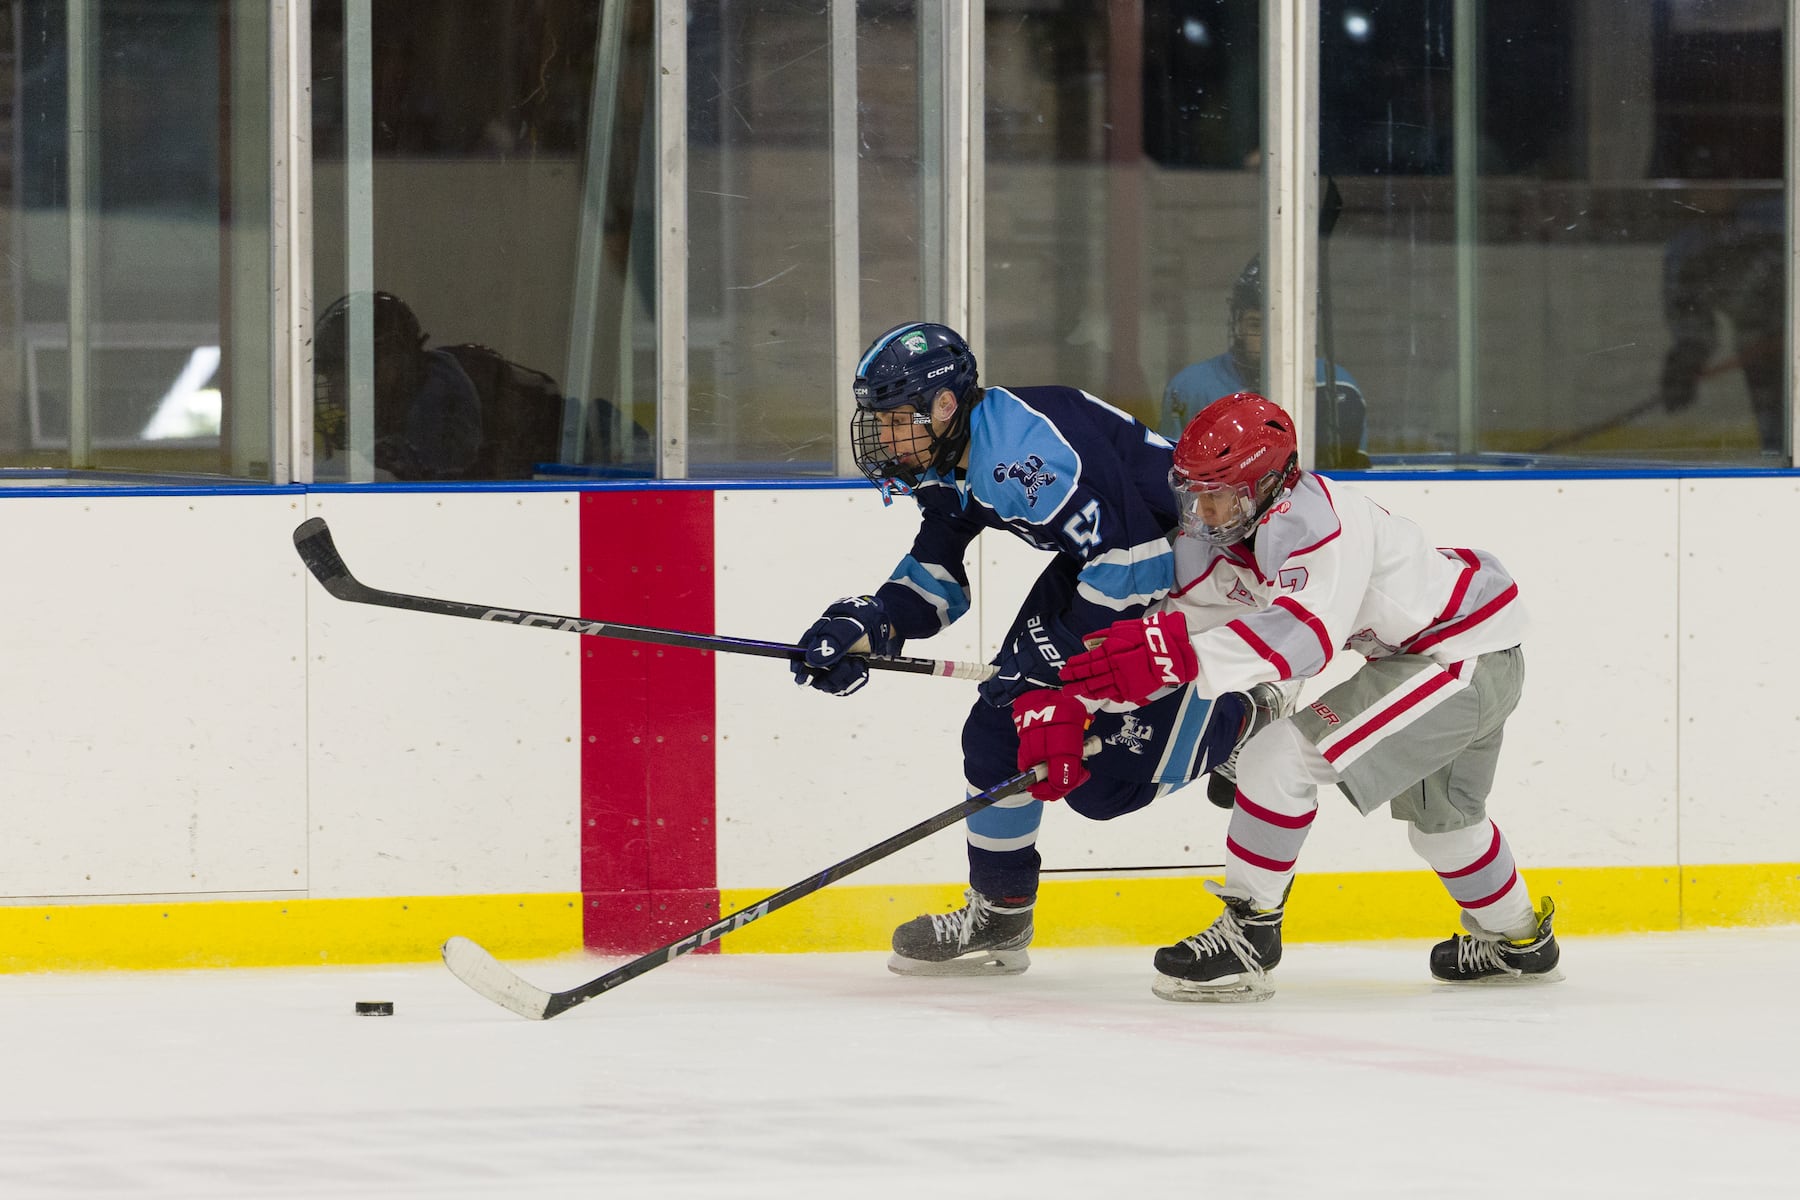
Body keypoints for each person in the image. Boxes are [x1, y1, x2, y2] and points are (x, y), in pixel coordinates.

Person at [1031, 391, 1559, 1002]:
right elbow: (1180, 629)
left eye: (1218, 490)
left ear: (1264, 485)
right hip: (1464, 652)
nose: (1201, 507)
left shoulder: (1320, 522)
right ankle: (1521, 942)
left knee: (1277, 755)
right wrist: (1080, 702)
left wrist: (1172, 655)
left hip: (1461, 657)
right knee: (1446, 830)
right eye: (1195, 489)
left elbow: (1304, 638)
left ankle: (1248, 935)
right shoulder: (1222, 534)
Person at [791, 322, 1278, 977]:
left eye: (892, 419)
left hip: (1194, 564)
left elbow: (1137, 563)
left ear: (942, 407)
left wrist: (1058, 673)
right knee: (998, 724)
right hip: (1112, 563)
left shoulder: (1027, 456)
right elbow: (939, 571)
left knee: (1102, 789)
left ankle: (1247, 721)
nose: (880, 436)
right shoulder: (947, 457)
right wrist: (872, 623)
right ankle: (1001, 911)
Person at [1158, 255, 1370, 468]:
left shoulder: (1341, 388)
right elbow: (1178, 479)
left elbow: (1351, 479)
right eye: (1256, 325)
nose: (1269, 341)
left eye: (1283, 328)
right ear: (1239, 326)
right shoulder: (1189, 389)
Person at [1657, 194, 1785, 456]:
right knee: (1775, 429)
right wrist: (1688, 360)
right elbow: (1691, 318)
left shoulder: (1780, 214)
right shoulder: (1688, 247)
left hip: (1775, 337)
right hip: (1757, 344)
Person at [314, 291, 485, 481]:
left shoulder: (438, 411)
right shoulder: (400, 397)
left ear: (384, 366)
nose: (332, 396)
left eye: (337, 378)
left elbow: (436, 492)